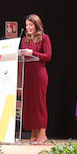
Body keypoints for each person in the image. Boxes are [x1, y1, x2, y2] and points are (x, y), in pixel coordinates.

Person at [20, 13, 52, 144]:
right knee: (30, 105)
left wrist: (32, 53)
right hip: (28, 75)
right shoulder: (24, 40)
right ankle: (33, 133)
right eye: (27, 25)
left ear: (36, 25)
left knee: (39, 103)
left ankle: (42, 134)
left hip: (39, 75)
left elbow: (48, 56)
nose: (28, 28)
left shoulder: (44, 38)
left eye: (30, 25)